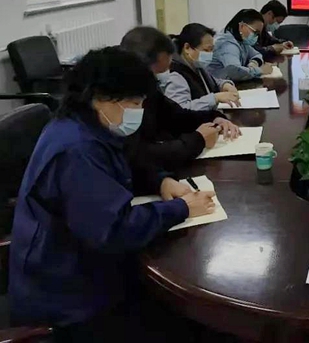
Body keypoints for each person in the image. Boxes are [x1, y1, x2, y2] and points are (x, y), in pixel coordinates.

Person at [9, 47, 217, 341]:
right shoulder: (77, 150)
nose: (139, 111)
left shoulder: (89, 125)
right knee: (189, 325)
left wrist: (161, 182)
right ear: (100, 97)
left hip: (86, 266)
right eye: (134, 103)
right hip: (68, 298)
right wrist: (181, 208)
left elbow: (125, 164)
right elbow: (114, 230)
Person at [120, 26, 239, 177]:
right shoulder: (120, 101)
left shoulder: (148, 89)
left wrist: (214, 117)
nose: (162, 79)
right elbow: (139, 155)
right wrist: (198, 140)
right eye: (158, 73)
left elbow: (176, 115)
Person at [163, 23, 241, 111]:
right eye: (206, 50)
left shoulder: (196, 65)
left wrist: (225, 85)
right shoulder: (175, 75)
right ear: (187, 48)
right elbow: (180, 109)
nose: (210, 54)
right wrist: (214, 98)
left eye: (212, 50)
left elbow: (212, 81)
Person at [209, 9, 273, 82]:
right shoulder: (228, 44)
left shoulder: (241, 41)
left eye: (258, 34)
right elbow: (235, 72)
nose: (256, 37)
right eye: (255, 32)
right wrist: (260, 70)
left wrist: (254, 63)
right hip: (218, 86)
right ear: (242, 26)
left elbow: (257, 54)